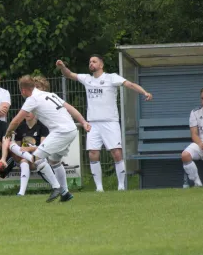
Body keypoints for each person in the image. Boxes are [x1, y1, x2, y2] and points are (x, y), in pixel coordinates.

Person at [56, 55, 153, 191]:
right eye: (90, 61)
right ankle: (99, 188)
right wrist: (62, 67)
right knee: (93, 154)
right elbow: (69, 74)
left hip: (110, 122)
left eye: (94, 61)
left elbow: (129, 84)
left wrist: (144, 92)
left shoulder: (111, 77)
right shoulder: (87, 79)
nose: (91, 63)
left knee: (116, 153)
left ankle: (121, 186)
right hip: (93, 123)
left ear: (101, 64)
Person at [5, 75, 91, 203]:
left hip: (61, 131)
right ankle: (65, 193)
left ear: (23, 90)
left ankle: (56, 187)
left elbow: (17, 119)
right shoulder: (50, 95)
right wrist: (83, 122)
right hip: (71, 129)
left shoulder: (32, 99)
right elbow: (70, 108)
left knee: (36, 158)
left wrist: (8, 131)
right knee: (55, 161)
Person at [8, 111, 50, 196]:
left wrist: (30, 148)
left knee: (27, 159)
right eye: (26, 111)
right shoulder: (20, 127)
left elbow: (43, 147)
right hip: (24, 157)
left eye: (30, 111)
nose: (27, 113)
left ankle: (21, 192)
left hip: (39, 157)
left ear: (35, 113)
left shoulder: (42, 126)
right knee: (12, 145)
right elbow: (19, 148)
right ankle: (21, 192)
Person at [181, 87, 203, 187]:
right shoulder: (195, 112)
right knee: (185, 155)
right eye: (202, 98)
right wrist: (200, 143)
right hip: (201, 144)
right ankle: (197, 183)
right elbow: (194, 134)